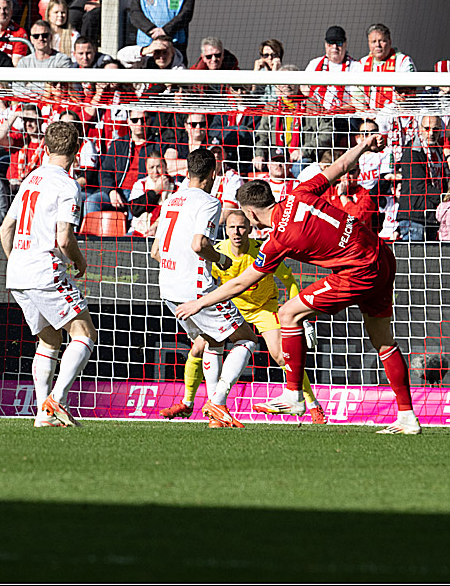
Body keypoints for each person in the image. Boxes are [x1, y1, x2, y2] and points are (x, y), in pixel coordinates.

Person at [175, 133, 420, 435]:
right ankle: (407, 417)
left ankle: (293, 395)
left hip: (359, 268)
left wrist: (200, 302)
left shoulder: (279, 240)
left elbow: (241, 283)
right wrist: (364, 145)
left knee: (289, 313)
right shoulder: (300, 192)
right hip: (382, 255)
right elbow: (341, 165)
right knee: (383, 342)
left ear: (250, 214)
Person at [160, 210, 327, 424]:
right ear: (225, 230)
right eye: (232, 227)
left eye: (241, 227)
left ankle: (312, 405)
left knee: (281, 355)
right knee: (198, 348)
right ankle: (187, 403)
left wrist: (300, 316)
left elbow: (290, 281)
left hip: (263, 308)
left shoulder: (263, 251)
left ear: (249, 229)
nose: (237, 232)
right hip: (231, 307)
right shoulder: (218, 252)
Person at [0, 120, 97, 427]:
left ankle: (43, 415)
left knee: (50, 339)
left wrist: (17, 260)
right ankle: (56, 400)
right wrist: (80, 263)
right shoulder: (68, 185)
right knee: (84, 335)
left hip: (17, 271)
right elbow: (65, 238)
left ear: (45, 146)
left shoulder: (31, 178)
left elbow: (6, 227)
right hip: (44, 270)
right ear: (78, 149)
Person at [152, 148, 258, 428]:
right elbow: (199, 244)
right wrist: (221, 259)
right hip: (196, 289)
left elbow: (155, 252)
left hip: (168, 287)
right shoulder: (209, 202)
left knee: (213, 341)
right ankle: (218, 401)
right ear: (213, 174)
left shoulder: (171, 201)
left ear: (188, 171)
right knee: (247, 339)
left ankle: (214, 414)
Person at [253, 66, 333, 177]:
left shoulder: (313, 106)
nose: (287, 85)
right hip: (276, 157)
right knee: (253, 166)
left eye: (291, 81)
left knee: (298, 168)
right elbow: (262, 135)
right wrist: (259, 154)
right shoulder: (271, 107)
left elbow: (328, 133)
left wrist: (304, 151)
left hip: (304, 158)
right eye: (283, 82)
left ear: (298, 83)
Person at [84, 107, 159, 215]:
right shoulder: (118, 145)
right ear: (128, 122)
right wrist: (111, 191)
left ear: (149, 121)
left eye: (143, 119)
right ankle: (88, 232)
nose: (139, 123)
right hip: (118, 190)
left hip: (142, 194)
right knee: (91, 202)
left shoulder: (157, 145)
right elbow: (105, 171)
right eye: (135, 120)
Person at [397, 115, 448, 242]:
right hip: (414, 216)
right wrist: (446, 197)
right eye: (427, 128)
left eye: (435, 129)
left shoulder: (438, 152)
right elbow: (419, 186)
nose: (431, 133)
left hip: (431, 215)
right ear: (419, 129)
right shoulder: (413, 151)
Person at [359, 23, 416, 110]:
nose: (377, 45)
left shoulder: (403, 61)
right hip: (369, 116)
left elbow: (407, 91)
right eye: (373, 42)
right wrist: (365, 114)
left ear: (390, 42)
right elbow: (356, 93)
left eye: (381, 41)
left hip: (396, 114)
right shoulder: (362, 63)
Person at [305, 25, 362, 111]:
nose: (334, 47)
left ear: (345, 43)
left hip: (344, 117)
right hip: (316, 115)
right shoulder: (314, 64)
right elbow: (304, 90)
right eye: (331, 42)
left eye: (339, 42)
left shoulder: (356, 67)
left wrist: (332, 112)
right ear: (326, 44)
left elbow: (357, 102)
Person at [14, 19, 77, 93]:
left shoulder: (62, 59)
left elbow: (62, 89)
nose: (40, 39)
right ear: (31, 39)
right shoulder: (24, 62)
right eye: (36, 36)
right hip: (29, 104)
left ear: (51, 37)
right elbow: (17, 90)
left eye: (44, 35)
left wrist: (30, 87)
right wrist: (47, 89)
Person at [0, 0, 29, 64]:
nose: (2, 12)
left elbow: (16, 65)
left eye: (5, 8)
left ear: (11, 12)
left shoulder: (20, 33)